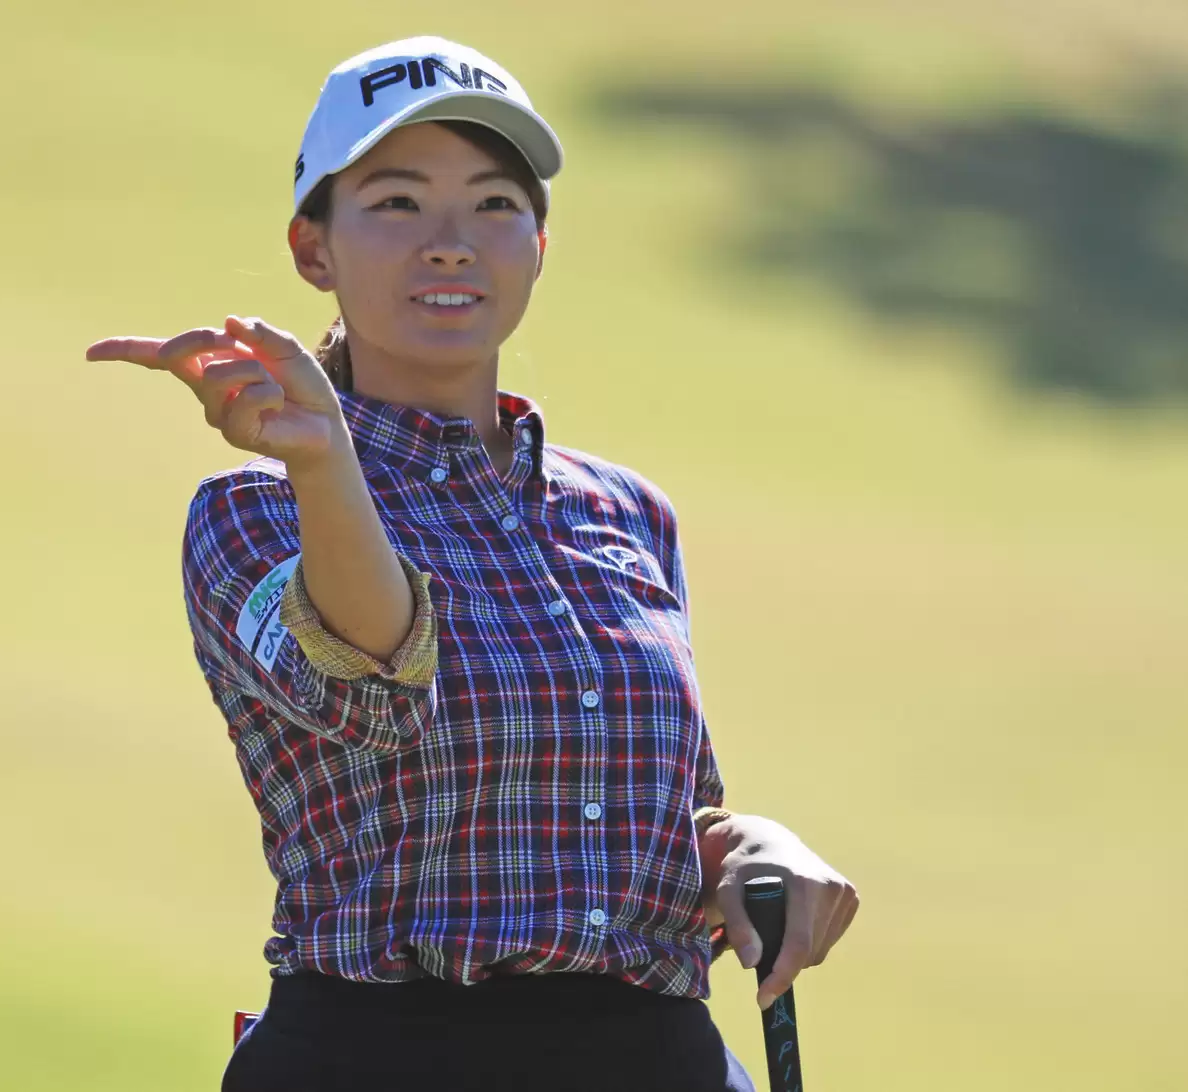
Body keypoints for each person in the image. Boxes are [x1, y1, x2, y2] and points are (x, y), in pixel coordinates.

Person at [85, 36, 859, 1092]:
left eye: (493, 204)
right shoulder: (254, 507)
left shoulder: (626, 512)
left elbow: (633, 817)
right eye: (397, 203)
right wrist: (324, 457)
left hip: (658, 1059)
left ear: (539, 243)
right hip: (381, 1056)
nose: (450, 244)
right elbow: (373, 681)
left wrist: (752, 847)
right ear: (314, 249)